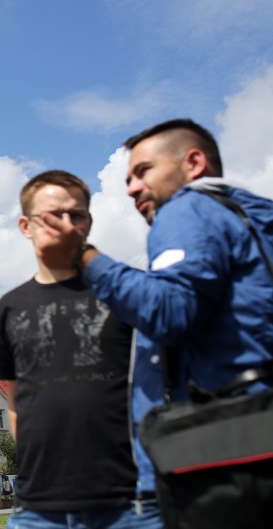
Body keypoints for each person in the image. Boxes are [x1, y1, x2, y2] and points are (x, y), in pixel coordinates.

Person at [45, 119, 273, 525]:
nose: (131, 188)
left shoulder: (188, 209)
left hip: (218, 459)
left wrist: (84, 257)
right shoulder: (255, 217)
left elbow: (169, 311)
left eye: (143, 171)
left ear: (194, 162)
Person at [0, 170, 161, 528]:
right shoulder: (9, 307)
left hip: (127, 505)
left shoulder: (123, 292)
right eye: (53, 215)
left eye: (77, 214)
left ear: (89, 223)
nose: (66, 223)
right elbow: (14, 403)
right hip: (36, 510)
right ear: (26, 226)